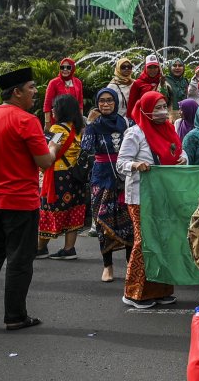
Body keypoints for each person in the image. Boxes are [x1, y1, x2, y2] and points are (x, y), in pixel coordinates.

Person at [0, 69, 60, 330]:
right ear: (17, 91)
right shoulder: (26, 120)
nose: (35, 92)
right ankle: (15, 316)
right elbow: (44, 162)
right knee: (19, 258)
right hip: (20, 200)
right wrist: (53, 146)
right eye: (31, 87)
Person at [117, 90, 187, 309]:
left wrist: (182, 160)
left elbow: (179, 153)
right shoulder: (135, 133)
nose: (162, 112)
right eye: (156, 108)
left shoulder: (169, 130)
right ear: (145, 109)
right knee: (144, 241)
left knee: (165, 240)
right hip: (140, 197)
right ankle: (135, 292)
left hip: (165, 194)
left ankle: (160, 290)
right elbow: (121, 163)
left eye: (164, 106)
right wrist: (136, 165)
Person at [82, 88, 131, 283]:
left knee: (129, 222)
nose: (105, 104)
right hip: (101, 177)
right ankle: (107, 265)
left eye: (110, 100)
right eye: (101, 101)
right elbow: (85, 149)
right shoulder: (94, 126)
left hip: (125, 177)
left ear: (116, 102)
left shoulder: (127, 123)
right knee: (102, 223)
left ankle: (130, 264)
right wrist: (89, 124)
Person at [37, 94, 86, 260]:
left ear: (61, 110)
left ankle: (40, 247)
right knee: (74, 210)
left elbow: (51, 148)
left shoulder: (57, 130)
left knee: (48, 211)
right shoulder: (78, 129)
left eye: (54, 108)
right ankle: (69, 249)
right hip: (76, 176)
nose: (52, 111)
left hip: (59, 177)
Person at [42, 58, 83, 127]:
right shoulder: (53, 82)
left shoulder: (78, 82)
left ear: (72, 68)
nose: (65, 69)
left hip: (74, 121)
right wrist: (47, 123)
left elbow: (80, 103)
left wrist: (81, 120)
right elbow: (47, 104)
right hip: (57, 122)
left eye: (68, 67)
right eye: (62, 67)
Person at [126, 56, 168, 122]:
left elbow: (167, 100)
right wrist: (130, 119)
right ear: (145, 68)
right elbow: (132, 103)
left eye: (155, 67)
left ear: (159, 68)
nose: (152, 70)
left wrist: (162, 85)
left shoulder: (163, 81)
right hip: (142, 118)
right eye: (149, 67)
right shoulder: (138, 83)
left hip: (160, 117)